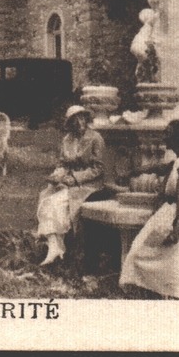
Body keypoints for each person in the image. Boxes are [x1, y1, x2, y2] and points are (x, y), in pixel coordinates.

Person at [119, 118, 179, 299]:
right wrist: (138, 171)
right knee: (138, 252)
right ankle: (158, 295)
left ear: (178, 138)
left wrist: (177, 232)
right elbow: (163, 167)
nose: (164, 138)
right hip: (170, 214)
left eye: (167, 134)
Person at [33, 105, 106, 265]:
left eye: (81, 118)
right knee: (45, 196)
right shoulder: (67, 139)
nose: (78, 122)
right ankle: (55, 246)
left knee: (54, 203)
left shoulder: (95, 138)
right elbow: (63, 163)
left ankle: (58, 248)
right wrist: (57, 175)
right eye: (74, 119)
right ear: (70, 123)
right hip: (67, 181)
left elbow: (98, 169)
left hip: (88, 184)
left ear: (86, 119)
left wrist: (76, 178)